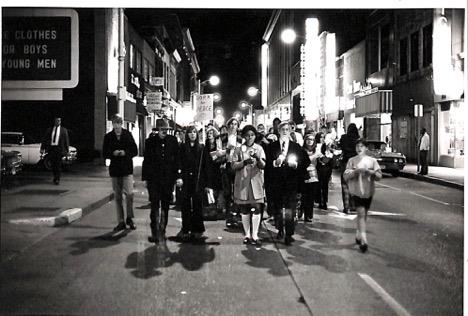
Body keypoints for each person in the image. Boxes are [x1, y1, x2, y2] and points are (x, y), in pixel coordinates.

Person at [266, 121, 310, 245]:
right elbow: (267, 164)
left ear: (290, 131)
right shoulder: (272, 146)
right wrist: (275, 163)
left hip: (291, 182)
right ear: (279, 131)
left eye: (287, 129)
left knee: (290, 208)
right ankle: (280, 228)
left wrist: (296, 165)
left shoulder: (296, 147)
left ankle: (289, 233)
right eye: (282, 129)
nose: (285, 131)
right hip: (277, 183)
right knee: (278, 208)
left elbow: (305, 162)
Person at [142, 118, 181, 243]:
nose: (164, 131)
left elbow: (177, 160)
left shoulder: (173, 141)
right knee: (154, 205)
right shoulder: (150, 142)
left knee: (165, 205)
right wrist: (146, 178)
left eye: (166, 129)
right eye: (162, 129)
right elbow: (146, 160)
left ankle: (162, 229)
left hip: (168, 179)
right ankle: (154, 232)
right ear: (157, 129)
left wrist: (176, 176)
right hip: (154, 178)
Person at [344, 139, 382, 252]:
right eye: (357, 146)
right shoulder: (351, 161)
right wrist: (355, 172)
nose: (359, 148)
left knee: (364, 213)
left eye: (362, 146)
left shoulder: (373, 161)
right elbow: (345, 176)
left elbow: (379, 176)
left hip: (368, 191)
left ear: (366, 148)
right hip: (356, 191)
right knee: (360, 212)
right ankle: (364, 240)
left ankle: (358, 233)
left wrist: (369, 172)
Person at [102, 114, 138, 231]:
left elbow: (134, 150)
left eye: (118, 123)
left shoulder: (127, 135)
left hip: (127, 169)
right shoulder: (108, 137)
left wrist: (124, 152)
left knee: (130, 194)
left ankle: (129, 217)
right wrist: (113, 153)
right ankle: (121, 221)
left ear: (121, 123)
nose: (116, 125)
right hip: (115, 170)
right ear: (112, 124)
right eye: (114, 123)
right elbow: (104, 152)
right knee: (118, 197)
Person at [232, 125, 266, 245]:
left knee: (257, 207)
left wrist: (257, 158)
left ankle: (255, 234)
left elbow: (263, 165)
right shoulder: (239, 149)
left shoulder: (259, 148)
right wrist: (243, 162)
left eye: (252, 135)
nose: (250, 137)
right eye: (247, 135)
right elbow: (233, 165)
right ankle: (247, 234)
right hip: (243, 182)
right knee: (244, 208)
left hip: (256, 182)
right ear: (243, 136)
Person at [177, 125, 207, 241]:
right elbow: (179, 162)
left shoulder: (201, 148)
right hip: (185, 179)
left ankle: (197, 228)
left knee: (197, 205)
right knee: (185, 205)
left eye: (194, 132)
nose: (192, 134)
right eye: (190, 132)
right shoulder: (183, 147)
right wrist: (179, 177)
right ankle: (186, 228)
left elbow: (204, 166)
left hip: (198, 180)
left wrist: (205, 182)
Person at [218, 117, 243, 227]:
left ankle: (236, 214)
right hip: (226, 165)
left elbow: (244, 151)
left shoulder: (241, 138)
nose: (233, 126)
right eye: (231, 124)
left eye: (235, 124)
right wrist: (228, 150)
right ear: (228, 126)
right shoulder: (222, 138)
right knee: (227, 191)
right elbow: (218, 153)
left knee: (237, 190)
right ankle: (228, 214)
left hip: (237, 165)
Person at [40, 117, 70, 185]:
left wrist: (67, 151)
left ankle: (57, 179)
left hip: (59, 149)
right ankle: (55, 176)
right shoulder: (50, 130)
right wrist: (42, 148)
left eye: (59, 120)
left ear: (60, 121)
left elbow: (66, 141)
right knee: (53, 164)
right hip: (51, 148)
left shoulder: (63, 130)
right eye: (57, 120)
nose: (58, 122)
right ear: (54, 121)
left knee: (58, 164)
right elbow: (45, 139)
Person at [338, 123, 360, 214]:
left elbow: (340, 147)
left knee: (345, 185)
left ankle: (346, 207)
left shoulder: (343, 137)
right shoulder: (358, 140)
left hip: (345, 163)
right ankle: (353, 206)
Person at [204, 126, 224, 219]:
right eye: (208, 134)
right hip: (209, 168)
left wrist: (217, 156)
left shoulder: (218, 143)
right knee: (210, 188)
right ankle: (212, 207)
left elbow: (222, 155)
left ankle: (218, 207)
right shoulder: (206, 144)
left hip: (217, 168)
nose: (209, 135)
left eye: (211, 133)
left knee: (218, 188)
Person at [300, 133, 321, 222]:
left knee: (310, 197)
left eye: (312, 139)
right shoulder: (301, 151)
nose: (310, 141)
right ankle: (301, 211)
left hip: (313, 176)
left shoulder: (317, 152)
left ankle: (308, 215)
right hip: (303, 175)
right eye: (308, 139)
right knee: (303, 196)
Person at [316, 132, 334, 210]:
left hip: (326, 167)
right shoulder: (316, 145)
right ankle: (320, 201)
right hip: (319, 167)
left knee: (325, 185)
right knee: (319, 185)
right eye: (321, 137)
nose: (322, 138)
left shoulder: (326, 146)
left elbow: (330, 155)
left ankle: (324, 201)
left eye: (323, 137)